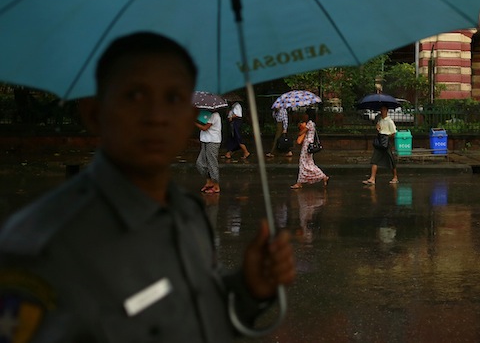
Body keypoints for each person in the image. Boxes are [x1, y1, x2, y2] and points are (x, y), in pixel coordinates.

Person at [0, 32, 295, 343]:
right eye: (135, 96)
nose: (157, 116)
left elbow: (202, 320)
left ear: (188, 117)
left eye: (174, 98)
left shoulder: (188, 216)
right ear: (94, 111)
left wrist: (248, 289)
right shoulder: (43, 248)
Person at [291, 108, 329, 189]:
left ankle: (300, 182)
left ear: (308, 115)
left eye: (305, 114)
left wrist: (300, 127)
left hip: (307, 144)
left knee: (303, 162)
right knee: (308, 162)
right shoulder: (312, 123)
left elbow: (301, 133)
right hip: (309, 144)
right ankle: (322, 176)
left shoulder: (310, 124)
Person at [363, 105, 399, 185]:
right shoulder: (380, 120)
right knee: (375, 159)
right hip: (380, 140)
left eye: (383, 110)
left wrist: (387, 137)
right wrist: (378, 128)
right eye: (381, 110)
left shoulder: (389, 121)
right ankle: (372, 178)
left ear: (386, 111)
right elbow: (379, 129)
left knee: (390, 160)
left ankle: (395, 177)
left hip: (386, 141)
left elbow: (394, 133)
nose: (382, 111)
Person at [195, 110, 222, 193]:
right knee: (200, 163)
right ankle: (209, 182)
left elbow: (205, 128)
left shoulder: (215, 115)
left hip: (213, 141)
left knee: (212, 163)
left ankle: (216, 186)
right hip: (205, 140)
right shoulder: (206, 114)